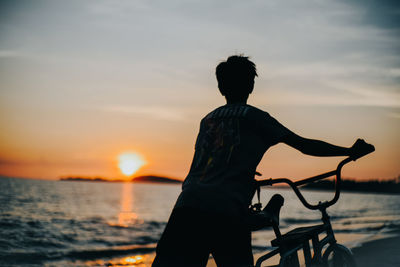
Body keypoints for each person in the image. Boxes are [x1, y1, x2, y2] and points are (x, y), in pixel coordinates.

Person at [152, 55, 373, 267]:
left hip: (186, 208)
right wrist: (349, 151)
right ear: (251, 86)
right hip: (226, 211)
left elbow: (212, 159)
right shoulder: (257, 118)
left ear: (220, 87)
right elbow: (305, 145)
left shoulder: (207, 120)